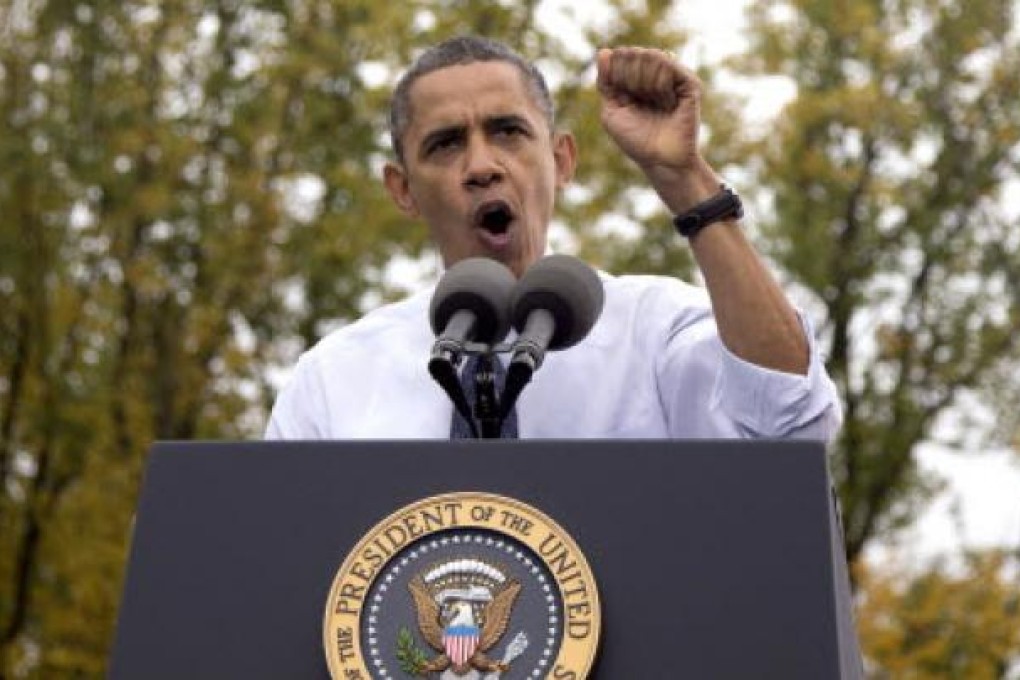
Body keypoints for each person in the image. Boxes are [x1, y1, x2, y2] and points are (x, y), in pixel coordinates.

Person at [265, 36, 841, 440]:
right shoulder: (334, 381)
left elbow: (790, 420)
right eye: (444, 144)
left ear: (562, 159)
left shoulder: (654, 329)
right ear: (403, 190)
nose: (482, 165)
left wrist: (686, 181)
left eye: (508, 132)